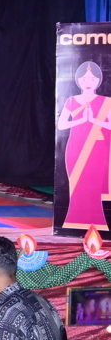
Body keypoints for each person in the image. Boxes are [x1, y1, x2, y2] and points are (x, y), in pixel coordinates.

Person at [57, 61, 111, 230]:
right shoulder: (71, 100)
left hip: (98, 151)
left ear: (98, 81)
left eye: (92, 79)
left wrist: (94, 120)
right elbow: (61, 125)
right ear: (78, 80)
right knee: (77, 187)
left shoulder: (106, 102)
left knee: (93, 186)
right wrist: (80, 120)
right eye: (85, 78)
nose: (88, 82)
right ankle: (74, 221)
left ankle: (97, 223)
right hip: (75, 149)